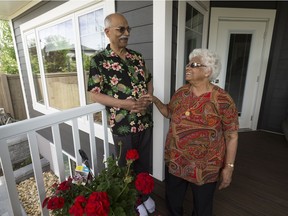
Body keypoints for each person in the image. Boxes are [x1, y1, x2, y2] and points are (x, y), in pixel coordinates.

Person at [144, 48, 239, 216]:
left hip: (205, 166)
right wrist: (155, 100)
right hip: (176, 161)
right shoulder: (181, 92)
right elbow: (169, 112)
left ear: (208, 71)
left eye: (194, 64)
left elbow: (231, 135)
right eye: (188, 64)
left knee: (202, 209)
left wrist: (229, 167)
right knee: (173, 202)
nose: (188, 67)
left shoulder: (223, 99)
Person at [87, 13, 155, 215]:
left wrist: (148, 97)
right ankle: (132, 202)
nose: (126, 33)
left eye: (128, 29)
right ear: (107, 32)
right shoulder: (98, 61)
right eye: (121, 29)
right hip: (122, 124)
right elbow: (94, 94)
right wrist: (123, 104)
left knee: (143, 163)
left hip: (144, 120)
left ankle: (144, 196)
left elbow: (148, 79)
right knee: (126, 166)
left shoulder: (137, 57)